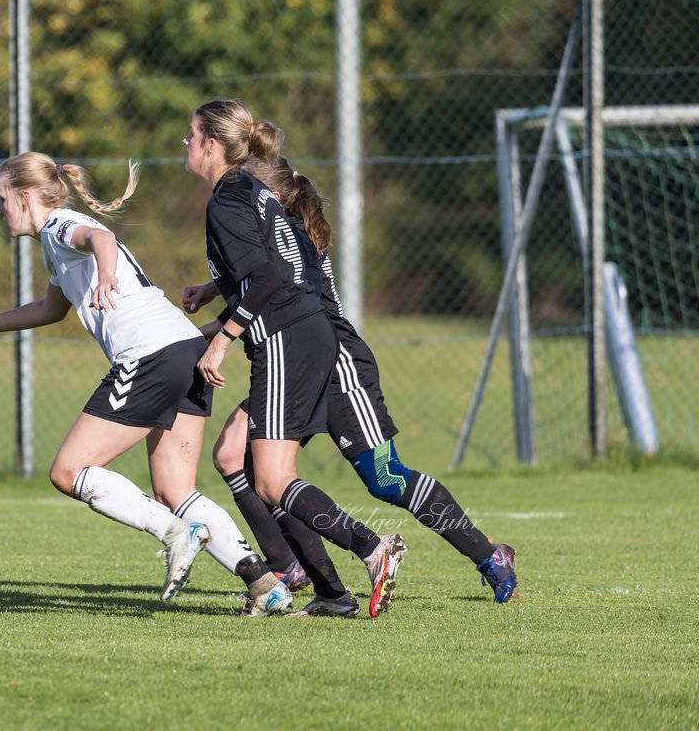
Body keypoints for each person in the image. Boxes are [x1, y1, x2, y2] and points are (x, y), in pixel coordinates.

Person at [0, 151, 293, 616]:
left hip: (150, 355)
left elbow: (102, 237)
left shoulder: (60, 225)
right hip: (184, 348)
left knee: (67, 471)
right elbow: (49, 310)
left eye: (2, 199)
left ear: (24, 196)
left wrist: (105, 276)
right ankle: (264, 584)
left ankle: (177, 534)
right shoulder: (54, 238)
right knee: (174, 492)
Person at [187, 153, 518, 604]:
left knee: (385, 478)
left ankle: (489, 555)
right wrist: (207, 300)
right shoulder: (271, 230)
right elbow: (253, 288)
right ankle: (308, 577)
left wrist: (214, 330)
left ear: (275, 197)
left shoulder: (288, 234)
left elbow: (274, 291)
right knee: (235, 455)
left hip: (338, 365)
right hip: (295, 355)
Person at [183, 99, 406, 618]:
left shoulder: (227, 200)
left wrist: (221, 338)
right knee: (234, 454)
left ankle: (373, 550)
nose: (186, 145)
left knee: (272, 480)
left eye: (191, 136)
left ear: (212, 146)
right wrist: (217, 290)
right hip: (302, 329)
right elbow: (282, 264)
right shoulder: (254, 191)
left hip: (286, 335)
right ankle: (332, 594)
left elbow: (266, 279)